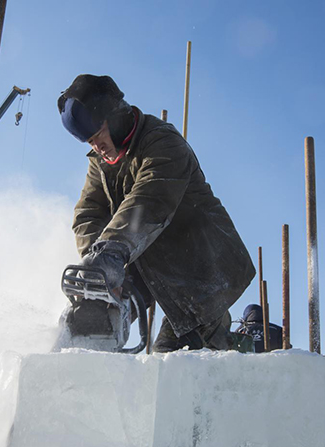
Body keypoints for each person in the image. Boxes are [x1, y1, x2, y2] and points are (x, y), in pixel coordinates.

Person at [57, 74, 255, 353]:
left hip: (200, 265)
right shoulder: (102, 162)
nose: (97, 147)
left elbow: (151, 199)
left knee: (182, 358)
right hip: (149, 264)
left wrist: (111, 253)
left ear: (115, 116)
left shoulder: (163, 142)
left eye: (98, 134)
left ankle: (245, 360)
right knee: (98, 318)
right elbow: (88, 214)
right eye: (90, 142)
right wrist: (99, 272)